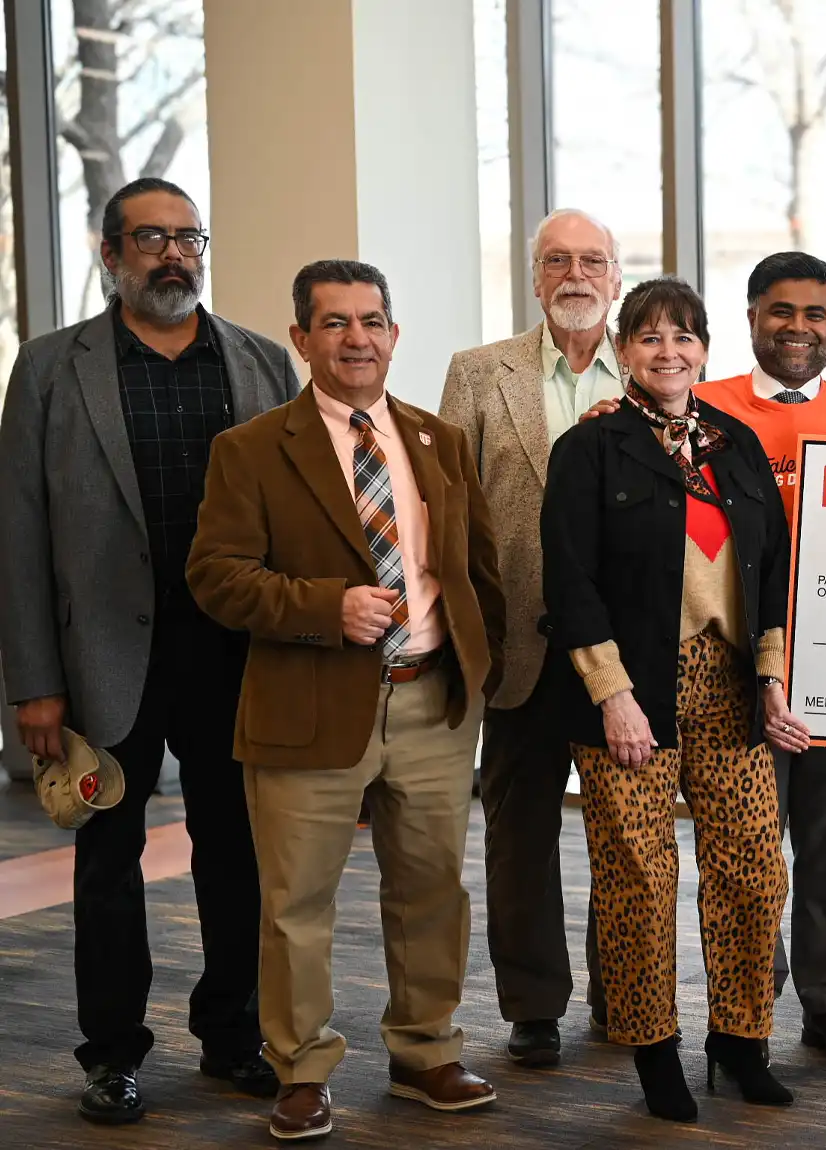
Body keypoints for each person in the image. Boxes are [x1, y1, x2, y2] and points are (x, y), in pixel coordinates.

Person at [0, 178, 297, 1124]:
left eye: (188, 238)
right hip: (102, 664)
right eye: (152, 239)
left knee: (238, 854)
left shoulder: (258, 362)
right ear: (110, 252)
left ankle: (234, 1033)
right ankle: (112, 1054)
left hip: (234, 655)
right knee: (107, 864)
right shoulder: (51, 369)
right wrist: (34, 684)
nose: (174, 255)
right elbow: (18, 533)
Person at [188, 260, 506, 1142]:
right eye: (334, 324)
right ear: (301, 339)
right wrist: (324, 609)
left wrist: (486, 667)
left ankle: (426, 1050)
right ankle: (300, 1067)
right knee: (296, 903)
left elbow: (474, 565)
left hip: (432, 702)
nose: (356, 339)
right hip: (307, 703)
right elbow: (215, 578)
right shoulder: (249, 450)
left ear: (394, 335)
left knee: (433, 889)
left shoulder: (439, 440)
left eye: (371, 321)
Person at [538, 276, 803, 1121]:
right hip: (628, 690)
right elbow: (570, 583)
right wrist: (613, 697)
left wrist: (772, 676)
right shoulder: (591, 449)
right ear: (624, 351)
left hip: (729, 684)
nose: (668, 351)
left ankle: (740, 1038)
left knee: (756, 870)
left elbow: (773, 571)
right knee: (638, 879)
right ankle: (655, 1051)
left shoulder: (736, 444)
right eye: (650, 337)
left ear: (704, 350)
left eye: (684, 337)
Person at [693, 251, 826, 1067]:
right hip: (728, 664)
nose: (798, 329)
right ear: (750, 320)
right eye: (781, 312)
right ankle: (747, 1002)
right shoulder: (698, 407)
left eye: (815, 315)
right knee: (743, 847)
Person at [436, 206, 623, 1066]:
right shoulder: (478, 374)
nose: (575, 274)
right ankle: (535, 1005)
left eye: (592, 260)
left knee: (628, 833)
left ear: (616, 276)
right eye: (558, 260)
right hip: (519, 648)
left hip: (625, 653)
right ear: (536, 276)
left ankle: (627, 990)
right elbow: (451, 516)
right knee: (519, 836)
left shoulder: (656, 364)